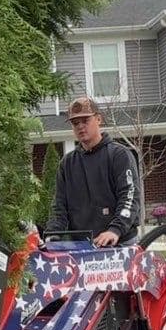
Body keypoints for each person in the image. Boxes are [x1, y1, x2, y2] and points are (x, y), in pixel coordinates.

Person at [47, 97, 140, 246]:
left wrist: (115, 230)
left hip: (120, 242)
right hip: (82, 246)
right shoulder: (67, 163)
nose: (80, 126)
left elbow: (130, 196)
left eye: (85, 121)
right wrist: (52, 235)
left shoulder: (119, 155)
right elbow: (59, 206)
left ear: (98, 119)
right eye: (75, 123)